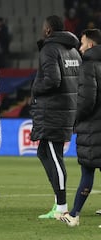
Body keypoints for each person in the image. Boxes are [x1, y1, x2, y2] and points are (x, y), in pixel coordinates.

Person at [30, 15, 81, 219]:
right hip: (68, 107)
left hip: (53, 110)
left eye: (44, 27)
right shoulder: (74, 51)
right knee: (44, 152)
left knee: (53, 154)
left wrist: (35, 89)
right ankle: (57, 203)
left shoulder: (49, 49)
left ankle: (61, 206)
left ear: (48, 30)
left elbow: (53, 80)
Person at [59, 28, 101, 227]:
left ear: (91, 45)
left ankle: (74, 215)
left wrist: (75, 119)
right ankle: (74, 213)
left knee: (87, 170)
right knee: (89, 170)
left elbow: (86, 100)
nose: (80, 48)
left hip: (94, 127)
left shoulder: (89, 66)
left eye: (82, 44)